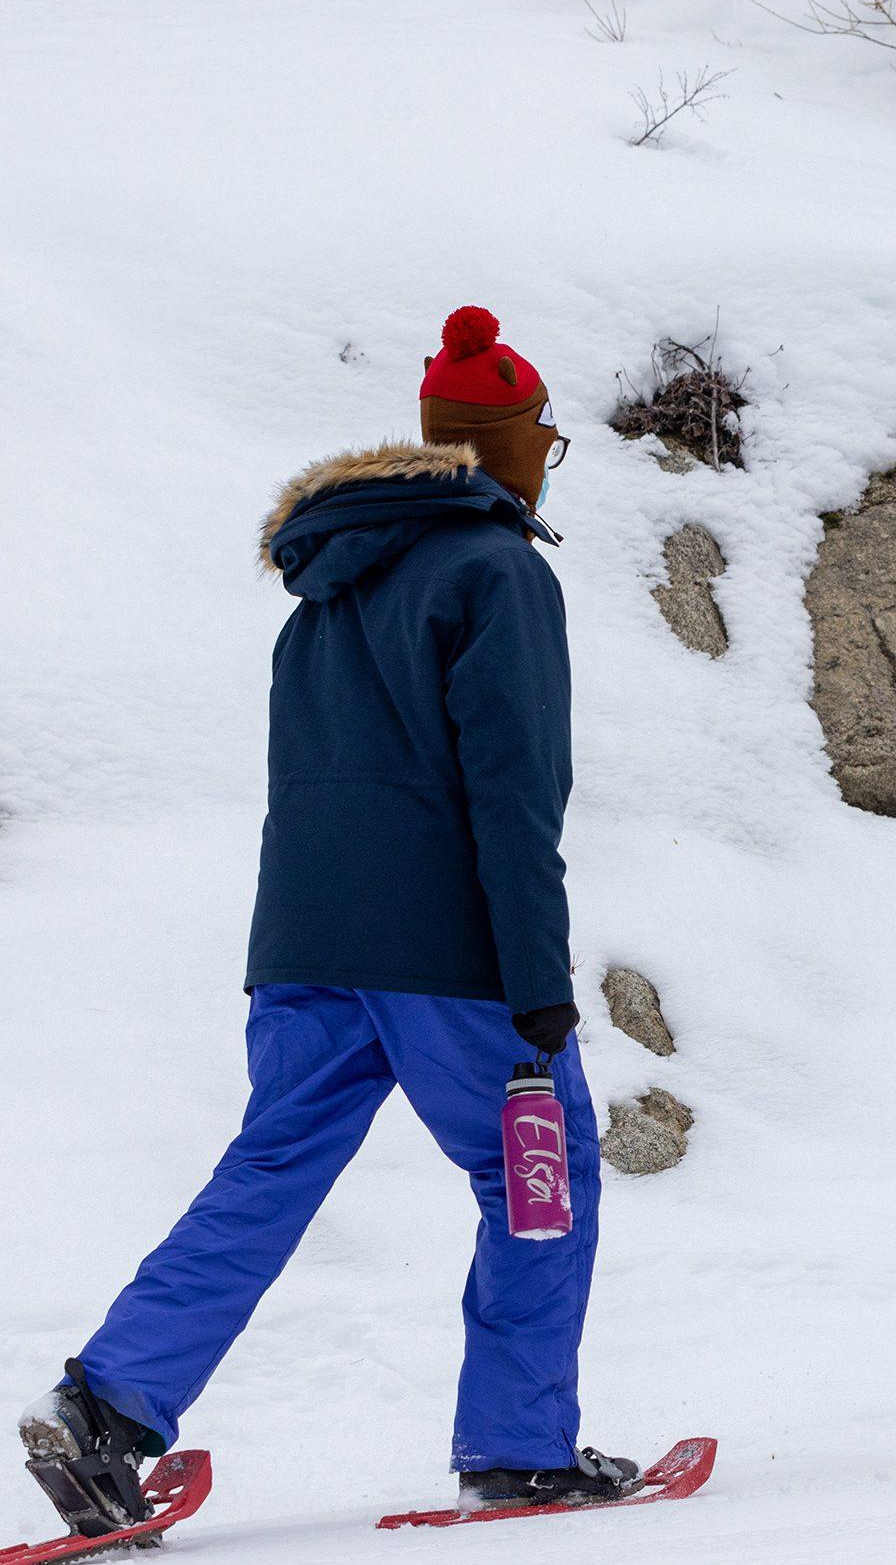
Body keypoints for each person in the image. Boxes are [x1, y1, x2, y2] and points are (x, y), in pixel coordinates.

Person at [17, 307, 635, 1536]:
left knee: (274, 1165)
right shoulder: (497, 572)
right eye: (541, 434)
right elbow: (515, 797)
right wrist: (537, 976)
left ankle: (108, 1405)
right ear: (501, 442)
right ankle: (519, 1449)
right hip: (450, 952)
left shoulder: (327, 588)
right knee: (537, 1179)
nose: (546, 452)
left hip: (305, 946)